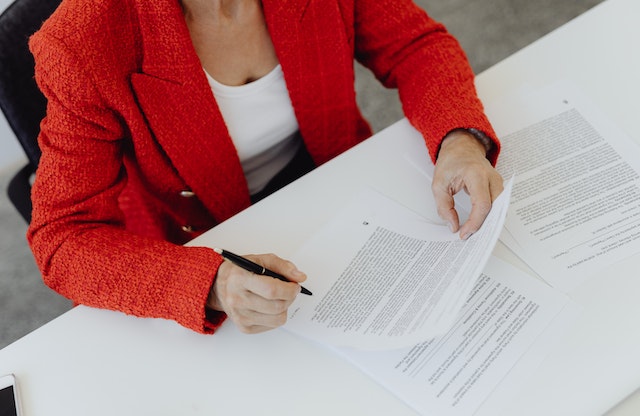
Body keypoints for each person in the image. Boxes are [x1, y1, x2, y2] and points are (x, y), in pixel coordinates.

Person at [27, 0, 504, 335]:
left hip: (333, 186)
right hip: (199, 238)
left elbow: (414, 45)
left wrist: (458, 138)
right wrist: (207, 283)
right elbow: (63, 236)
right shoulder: (81, 42)